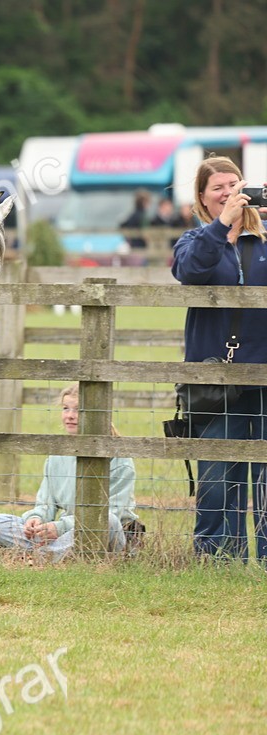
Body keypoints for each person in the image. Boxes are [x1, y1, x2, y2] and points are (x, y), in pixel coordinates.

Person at [172, 156, 267, 562]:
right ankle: (219, 559)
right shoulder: (194, 241)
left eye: (235, 185)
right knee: (216, 477)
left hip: (263, 376)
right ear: (203, 198)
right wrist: (221, 227)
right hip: (215, 380)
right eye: (218, 188)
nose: (228, 193)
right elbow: (191, 272)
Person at [0, 384, 138, 561]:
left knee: (107, 520)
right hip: (63, 534)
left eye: (78, 410)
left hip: (108, 535)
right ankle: (54, 553)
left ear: (98, 415)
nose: (69, 416)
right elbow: (46, 503)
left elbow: (111, 514)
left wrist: (60, 527)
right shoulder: (57, 454)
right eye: (65, 408)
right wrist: (36, 519)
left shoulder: (120, 460)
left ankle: (45, 555)